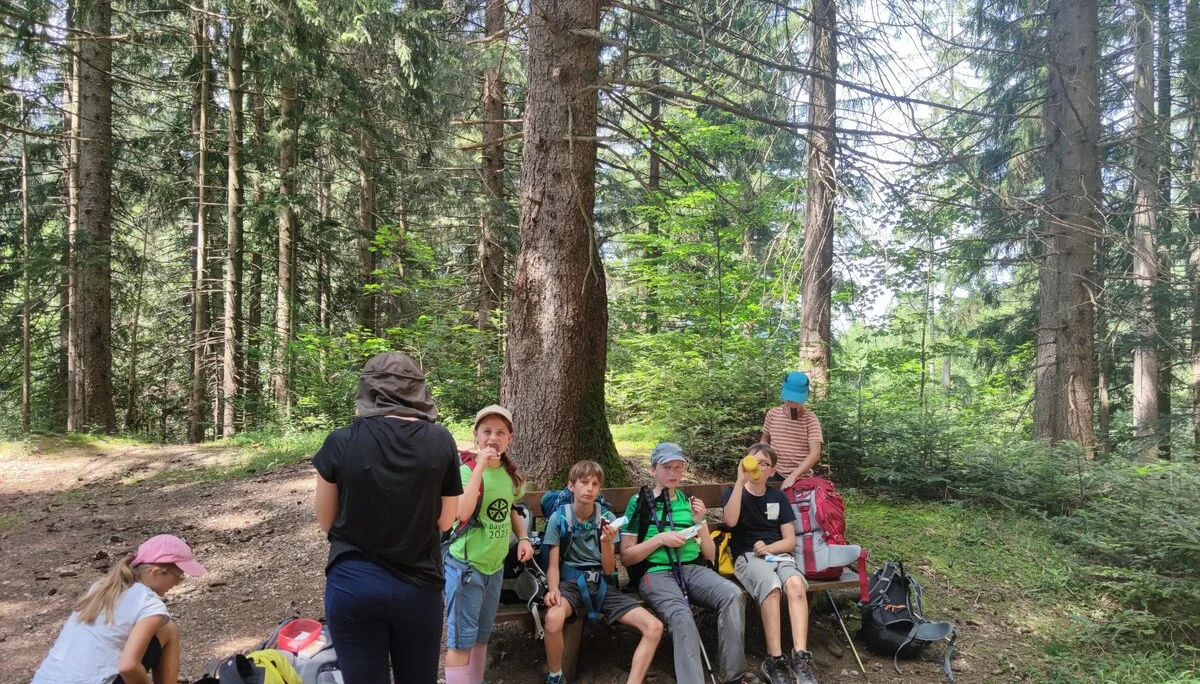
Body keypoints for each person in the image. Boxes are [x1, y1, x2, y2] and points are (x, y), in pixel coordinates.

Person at [313, 352, 463, 684]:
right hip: (418, 587)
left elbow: (328, 521)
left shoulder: (341, 441)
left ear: (368, 389)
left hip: (354, 585)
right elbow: (445, 521)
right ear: (418, 391)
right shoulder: (441, 441)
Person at [620, 442, 754, 684]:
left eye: (678, 467)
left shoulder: (690, 502)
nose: (673, 473)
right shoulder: (639, 502)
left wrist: (700, 522)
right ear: (653, 470)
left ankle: (734, 677)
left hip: (692, 568)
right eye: (666, 467)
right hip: (655, 573)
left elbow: (710, 554)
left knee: (733, 595)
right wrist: (659, 540)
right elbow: (627, 556)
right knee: (682, 616)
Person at [542, 460, 663, 684]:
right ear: (571, 486)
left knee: (654, 626)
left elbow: (609, 569)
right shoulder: (559, 518)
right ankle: (555, 676)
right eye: (584, 482)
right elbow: (553, 565)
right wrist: (553, 590)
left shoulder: (606, 519)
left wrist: (607, 543)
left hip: (602, 585)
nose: (589, 488)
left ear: (599, 489)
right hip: (570, 584)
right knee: (553, 617)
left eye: (595, 484)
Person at [32, 534, 205, 684]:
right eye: (178, 576)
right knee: (168, 629)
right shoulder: (149, 604)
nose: (177, 583)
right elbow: (128, 666)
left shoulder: (103, 588)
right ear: (155, 572)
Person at [444, 404, 535, 684]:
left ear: (510, 438)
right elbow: (462, 513)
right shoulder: (465, 472)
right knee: (461, 642)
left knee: (482, 637)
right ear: (476, 436)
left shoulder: (509, 475)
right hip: (466, 568)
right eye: (486, 431)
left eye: (500, 432)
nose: (492, 438)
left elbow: (510, 509)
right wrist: (480, 465)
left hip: (494, 567)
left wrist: (523, 537)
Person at [723, 444, 818, 684]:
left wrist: (769, 548)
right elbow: (730, 522)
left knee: (795, 584)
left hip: (777, 556)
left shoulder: (777, 496)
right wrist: (738, 481)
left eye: (763, 464)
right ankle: (774, 659)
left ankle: (800, 658)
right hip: (747, 557)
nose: (757, 467)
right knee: (772, 587)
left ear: (772, 470)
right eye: (752, 461)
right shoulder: (734, 492)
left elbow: (788, 541)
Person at [761, 372, 824, 490]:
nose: (793, 404)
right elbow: (764, 441)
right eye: (790, 400)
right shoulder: (773, 414)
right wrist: (763, 462)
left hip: (801, 478)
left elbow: (815, 454)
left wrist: (794, 476)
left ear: (806, 395)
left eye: (797, 400)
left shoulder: (810, 419)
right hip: (774, 474)